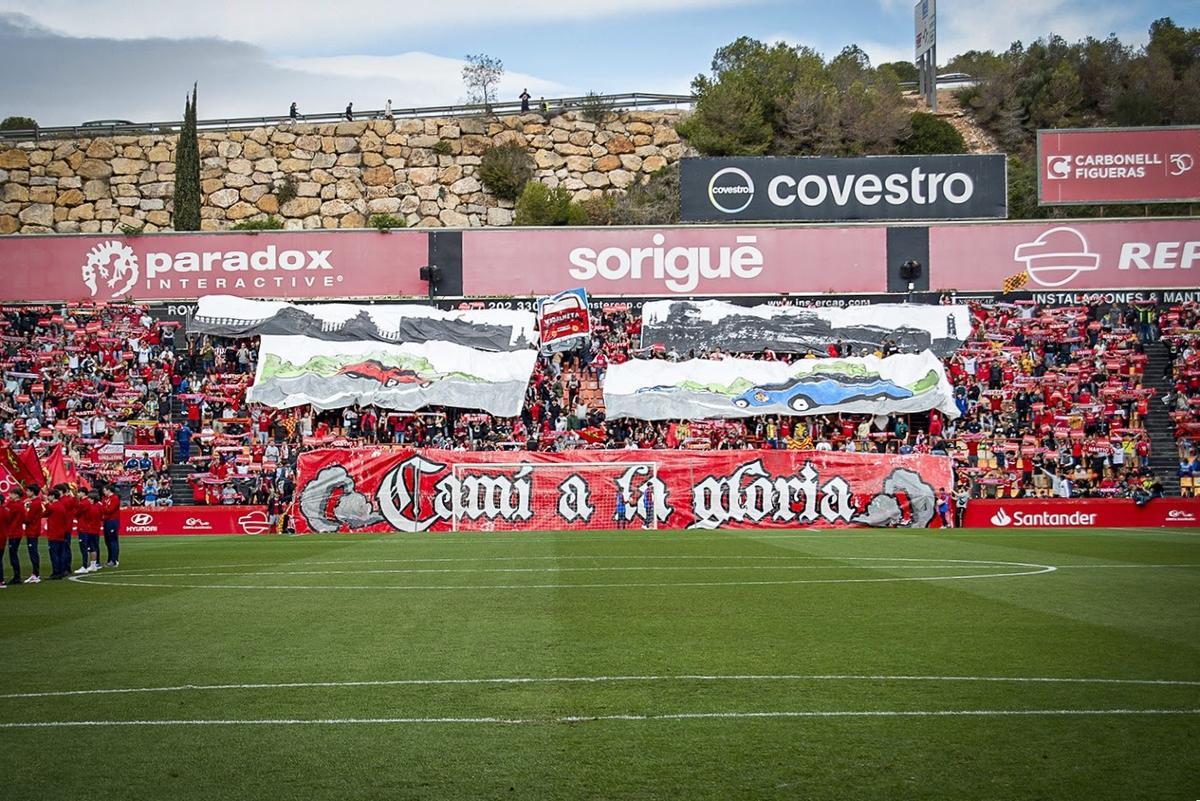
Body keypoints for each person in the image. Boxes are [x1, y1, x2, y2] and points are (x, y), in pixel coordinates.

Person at [44, 486, 72, 580]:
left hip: (54, 533)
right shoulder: (61, 506)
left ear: (52, 496)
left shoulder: (53, 506)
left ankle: (56, 572)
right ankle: (61, 570)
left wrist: (46, 503)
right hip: (61, 533)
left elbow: (45, 513)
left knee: (54, 554)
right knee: (60, 553)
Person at [21, 485, 45, 584]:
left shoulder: (35, 503)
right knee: (33, 552)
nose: (26, 493)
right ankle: (35, 573)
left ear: (32, 492)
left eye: (28, 491)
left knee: (33, 552)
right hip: (33, 530)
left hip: (32, 530)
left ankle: (36, 574)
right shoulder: (35, 502)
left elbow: (28, 519)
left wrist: (22, 515)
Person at [74, 491, 103, 574]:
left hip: (89, 529)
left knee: (86, 548)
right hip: (95, 529)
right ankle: (93, 565)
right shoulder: (99, 506)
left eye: (89, 499)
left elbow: (79, 513)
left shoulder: (90, 507)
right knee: (93, 547)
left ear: (92, 499)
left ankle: (84, 566)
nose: (88, 500)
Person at [4, 488, 25, 584]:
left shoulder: (15, 506)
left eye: (11, 494)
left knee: (13, 555)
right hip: (17, 532)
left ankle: (17, 577)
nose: (10, 495)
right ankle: (17, 576)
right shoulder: (20, 504)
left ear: (16, 495)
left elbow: (7, 516)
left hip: (14, 532)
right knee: (13, 554)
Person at [101, 484, 120, 567]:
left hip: (112, 521)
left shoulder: (115, 498)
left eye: (104, 490)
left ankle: (114, 560)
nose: (103, 492)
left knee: (113, 541)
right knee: (107, 541)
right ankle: (110, 559)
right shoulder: (105, 498)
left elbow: (110, 510)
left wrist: (102, 507)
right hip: (106, 521)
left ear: (109, 490)